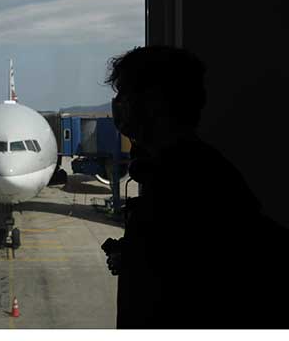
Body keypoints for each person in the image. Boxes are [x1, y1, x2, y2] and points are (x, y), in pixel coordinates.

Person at [101, 46, 287, 328]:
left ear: (153, 103)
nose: (117, 104)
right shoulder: (179, 171)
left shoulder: (190, 182)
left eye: (125, 94)